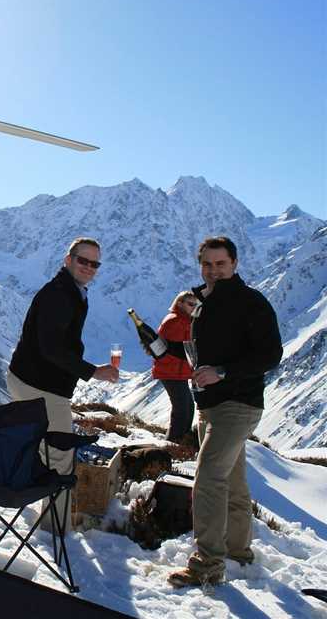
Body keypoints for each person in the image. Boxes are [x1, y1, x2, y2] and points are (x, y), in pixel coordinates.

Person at [168, 236, 282, 588]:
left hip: (239, 402)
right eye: (207, 264)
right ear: (200, 264)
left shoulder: (251, 302)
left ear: (234, 264)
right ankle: (239, 551)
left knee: (208, 478)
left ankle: (207, 563)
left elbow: (270, 355)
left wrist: (223, 371)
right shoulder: (200, 302)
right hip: (210, 405)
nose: (213, 270)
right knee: (232, 480)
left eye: (220, 264)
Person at [7, 237, 119, 532]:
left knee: (47, 449)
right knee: (60, 456)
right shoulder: (59, 294)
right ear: (67, 260)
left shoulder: (71, 290)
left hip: (30, 380)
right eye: (83, 261)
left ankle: (47, 515)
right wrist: (93, 371)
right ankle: (54, 528)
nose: (89, 267)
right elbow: (51, 348)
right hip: (41, 386)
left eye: (95, 263)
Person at [152, 291, 197, 443]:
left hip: (177, 372)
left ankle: (178, 443)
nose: (193, 307)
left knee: (187, 408)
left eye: (195, 305)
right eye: (190, 304)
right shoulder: (176, 321)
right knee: (182, 410)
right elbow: (174, 348)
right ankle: (172, 445)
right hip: (171, 371)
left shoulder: (183, 320)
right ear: (179, 303)